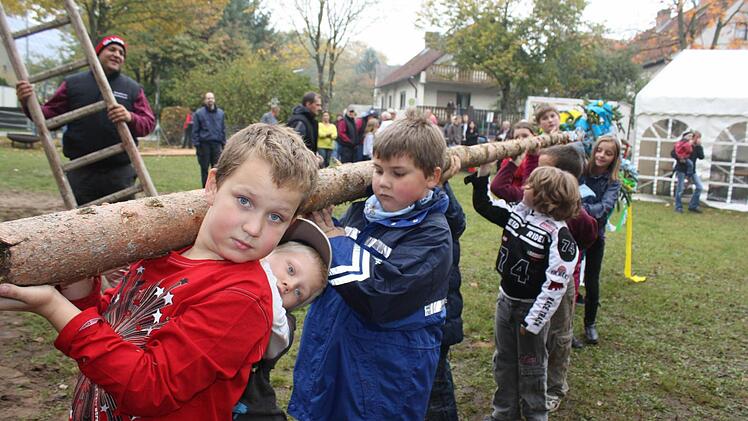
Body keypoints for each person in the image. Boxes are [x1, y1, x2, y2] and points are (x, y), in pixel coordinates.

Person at [0, 123, 320, 420]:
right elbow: (114, 330)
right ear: (212, 185)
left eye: (275, 217)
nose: (253, 227)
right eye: (244, 201)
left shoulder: (243, 301)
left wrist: (53, 308)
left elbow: (149, 388)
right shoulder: (165, 254)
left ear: (289, 225)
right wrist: (78, 292)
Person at [289, 111, 453, 420]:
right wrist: (315, 223)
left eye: (398, 173)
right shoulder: (364, 212)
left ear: (432, 176)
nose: (383, 183)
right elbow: (340, 255)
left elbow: (379, 293)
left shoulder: (432, 236)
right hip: (335, 355)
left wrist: (334, 240)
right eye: (378, 170)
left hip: (382, 377)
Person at [490, 143, 598, 412]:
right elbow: (503, 189)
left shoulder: (575, 217)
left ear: (559, 179)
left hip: (559, 285)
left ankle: (554, 387)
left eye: (542, 168)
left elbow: (587, 237)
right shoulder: (530, 204)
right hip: (527, 291)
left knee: (559, 336)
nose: (533, 174)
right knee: (530, 348)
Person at [467, 165, 580, 421]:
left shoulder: (559, 236)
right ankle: (504, 413)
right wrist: (481, 176)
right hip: (505, 301)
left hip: (530, 310)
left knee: (531, 367)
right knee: (503, 360)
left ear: (546, 197)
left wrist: (534, 322)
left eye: (530, 185)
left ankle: (535, 415)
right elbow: (485, 206)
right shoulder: (518, 214)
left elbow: (555, 286)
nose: (524, 187)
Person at [16, 35, 155, 205]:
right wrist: (27, 101)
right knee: (83, 223)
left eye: (121, 53)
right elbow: (48, 117)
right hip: (81, 171)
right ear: (97, 53)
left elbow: (148, 123)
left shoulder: (132, 88)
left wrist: (130, 117)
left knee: (122, 222)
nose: (117, 54)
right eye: (111, 49)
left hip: (119, 171)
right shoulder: (74, 83)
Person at [233, 218, 332, 421]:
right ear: (272, 250)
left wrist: (259, 259)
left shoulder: (284, 325)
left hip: (251, 411)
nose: (289, 284)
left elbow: (273, 315)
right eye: (291, 270)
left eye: (298, 293)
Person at [425, 161, 467, 421]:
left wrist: (440, 187)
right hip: (428, 323)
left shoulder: (441, 214)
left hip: (438, 321)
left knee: (437, 393)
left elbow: (457, 221)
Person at [579, 135, 622, 345]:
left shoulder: (613, 182)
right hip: (575, 233)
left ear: (614, 157)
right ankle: (564, 326)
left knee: (592, 279)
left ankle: (590, 323)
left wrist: (580, 209)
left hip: (596, 235)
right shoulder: (581, 172)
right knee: (568, 278)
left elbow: (604, 208)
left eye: (608, 153)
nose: (602, 155)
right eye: (599, 150)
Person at [192, 92, 227, 187]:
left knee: (216, 169)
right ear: (205, 100)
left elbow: (223, 129)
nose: (210, 100)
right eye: (208, 98)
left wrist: (224, 144)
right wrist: (197, 145)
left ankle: (215, 188)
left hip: (216, 145)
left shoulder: (221, 113)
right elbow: (195, 130)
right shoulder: (199, 113)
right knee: (204, 169)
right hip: (204, 145)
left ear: (214, 99)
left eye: (211, 98)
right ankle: (204, 189)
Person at [672, 130, 704, 213]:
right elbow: (673, 153)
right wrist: (680, 158)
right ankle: (678, 207)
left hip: (692, 171)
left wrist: (699, 146)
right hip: (681, 169)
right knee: (680, 189)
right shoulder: (684, 144)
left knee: (699, 187)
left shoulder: (696, 147)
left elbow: (701, 157)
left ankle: (693, 205)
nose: (699, 139)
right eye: (697, 138)